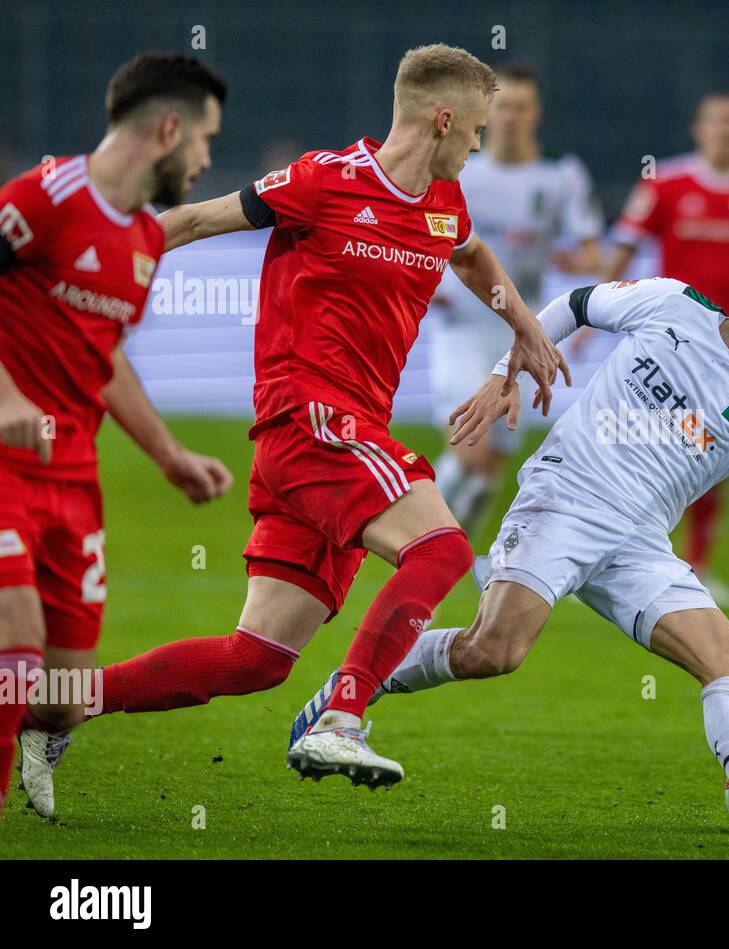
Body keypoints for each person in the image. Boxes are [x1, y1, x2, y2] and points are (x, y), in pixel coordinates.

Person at [27, 44, 570, 813]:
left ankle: (51, 706)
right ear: (444, 119)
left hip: (339, 444)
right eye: (477, 128)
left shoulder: (445, 204)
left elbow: (472, 253)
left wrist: (521, 326)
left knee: (256, 657)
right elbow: (188, 220)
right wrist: (91, 266)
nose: (481, 143)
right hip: (310, 419)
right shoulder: (324, 180)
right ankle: (344, 711)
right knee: (442, 547)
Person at [294, 264, 729, 847]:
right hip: (567, 500)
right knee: (494, 650)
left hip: (639, 543)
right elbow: (574, 306)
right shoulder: (672, 304)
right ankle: (349, 689)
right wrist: (509, 371)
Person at [1, 52, 233, 819]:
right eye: (203, 140)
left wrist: (168, 453)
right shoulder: (46, 196)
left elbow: (102, 361)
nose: (205, 160)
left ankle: (39, 731)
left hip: (72, 481)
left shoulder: (139, 241)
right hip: (5, 465)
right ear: (167, 129)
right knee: (15, 644)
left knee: (63, 696)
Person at [604, 91, 729, 605]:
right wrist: (595, 312)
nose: (726, 130)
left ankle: (695, 566)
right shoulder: (665, 181)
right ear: (698, 128)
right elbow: (626, 246)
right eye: (718, 121)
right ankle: (605, 552)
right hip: (667, 338)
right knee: (637, 441)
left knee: (712, 450)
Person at [427, 64, 604, 536]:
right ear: (487, 110)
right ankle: (417, 539)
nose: (511, 117)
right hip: (462, 325)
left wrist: (577, 261)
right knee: (471, 447)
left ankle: (444, 556)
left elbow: (592, 250)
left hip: (521, 332)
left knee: (489, 469)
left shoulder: (561, 176)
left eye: (521, 107)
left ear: (536, 113)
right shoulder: (460, 168)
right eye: (503, 106)